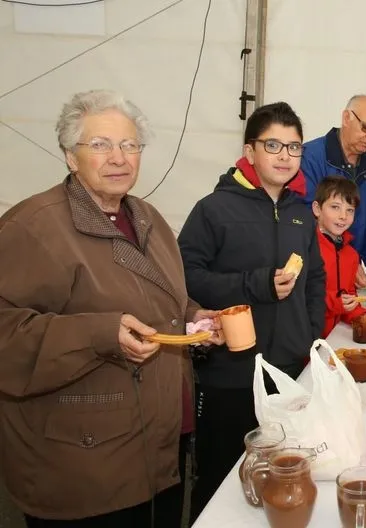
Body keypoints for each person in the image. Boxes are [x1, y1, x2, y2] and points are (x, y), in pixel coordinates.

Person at [0, 89, 221, 527]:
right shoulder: (32, 227)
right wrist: (102, 334)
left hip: (156, 445)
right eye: (100, 145)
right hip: (86, 461)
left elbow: (164, 295)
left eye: (130, 144)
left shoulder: (148, 217)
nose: (118, 157)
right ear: (69, 155)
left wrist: (195, 316)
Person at [177, 102, 326, 522]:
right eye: (273, 144)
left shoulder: (301, 212)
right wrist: (255, 284)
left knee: (280, 475)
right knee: (221, 478)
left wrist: (310, 334)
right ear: (250, 149)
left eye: (294, 147)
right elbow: (186, 275)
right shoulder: (215, 209)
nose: (284, 156)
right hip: (230, 369)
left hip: (286, 370)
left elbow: (315, 279)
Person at [300, 94, 366, 290]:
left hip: (348, 278)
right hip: (311, 275)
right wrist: (345, 258)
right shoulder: (309, 158)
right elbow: (304, 218)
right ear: (346, 118)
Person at [313, 176, 366, 336]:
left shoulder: (351, 255)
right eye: (335, 207)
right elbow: (300, 298)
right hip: (307, 343)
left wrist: (361, 315)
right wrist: (335, 303)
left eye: (350, 210)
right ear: (317, 209)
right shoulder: (306, 249)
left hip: (335, 338)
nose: (343, 216)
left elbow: (349, 296)